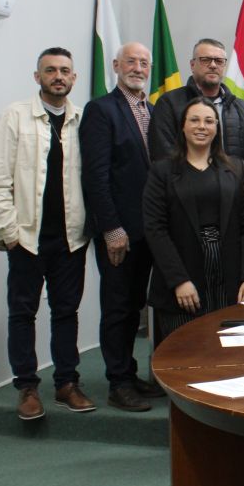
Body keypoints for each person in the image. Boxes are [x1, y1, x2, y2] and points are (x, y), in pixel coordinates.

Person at [0, 47, 95, 420]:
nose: (58, 76)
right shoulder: (15, 117)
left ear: (74, 78)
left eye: (65, 70)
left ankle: (66, 383)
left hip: (71, 237)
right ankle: (27, 387)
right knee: (23, 312)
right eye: (50, 70)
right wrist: (10, 232)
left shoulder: (83, 120)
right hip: (27, 238)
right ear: (38, 77)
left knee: (66, 311)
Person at [79, 42, 166, 412]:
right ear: (116, 65)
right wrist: (111, 228)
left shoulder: (154, 110)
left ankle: (130, 373)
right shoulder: (101, 110)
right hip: (120, 231)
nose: (138, 67)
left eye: (144, 63)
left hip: (149, 229)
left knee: (135, 307)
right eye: (131, 61)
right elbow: (96, 176)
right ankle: (118, 382)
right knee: (117, 306)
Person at [143, 98, 244, 340]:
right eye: (194, 120)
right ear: (183, 127)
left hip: (229, 275)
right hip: (184, 274)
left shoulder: (237, 169)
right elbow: (155, 229)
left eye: (209, 121)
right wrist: (179, 280)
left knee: (229, 352)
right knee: (186, 351)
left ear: (217, 128)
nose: (202, 126)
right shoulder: (162, 171)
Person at [147, 38, 244, 187]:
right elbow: (163, 153)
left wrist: (238, 189)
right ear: (192, 65)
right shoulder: (169, 103)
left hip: (234, 198)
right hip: (185, 198)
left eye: (219, 61)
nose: (213, 65)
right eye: (205, 60)